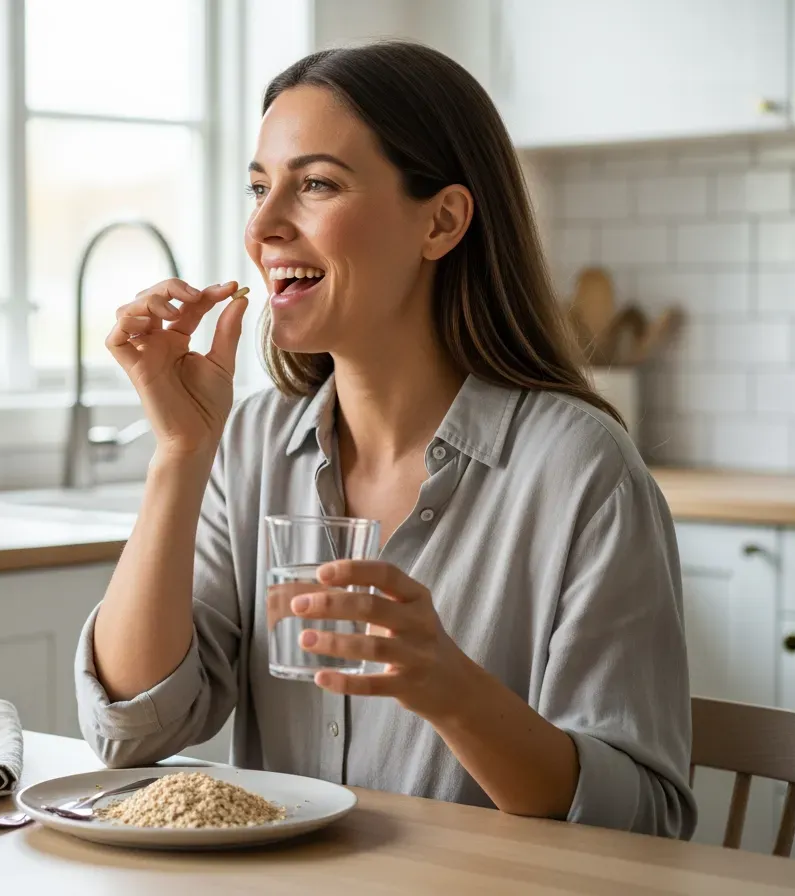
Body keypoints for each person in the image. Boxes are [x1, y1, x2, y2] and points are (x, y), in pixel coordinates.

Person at [73, 41, 695, 839]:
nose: (262, 226)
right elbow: (132, 731)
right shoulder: (251, 441)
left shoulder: (581, 471)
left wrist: (451, 689)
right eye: (260, 188)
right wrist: (179, 454)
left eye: (317, 184)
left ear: (441, 221)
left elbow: (645, 819)